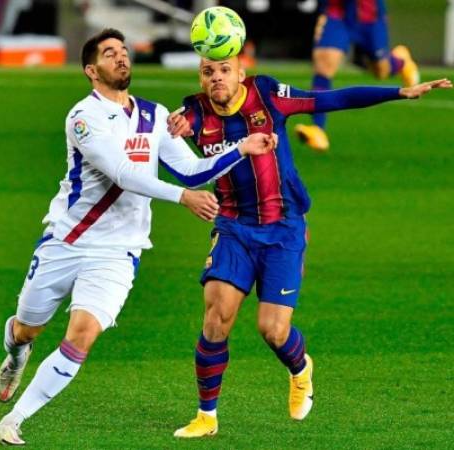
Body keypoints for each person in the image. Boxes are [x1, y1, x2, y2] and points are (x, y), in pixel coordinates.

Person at [0, 28, 278, 446]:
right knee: (27, 328)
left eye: (124, 52)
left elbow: (192, 170)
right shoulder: (83, 117)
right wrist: (182, 198)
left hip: (118, 252)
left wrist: (241, 148)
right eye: (110, 54)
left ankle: (13, 421)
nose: (122, 58)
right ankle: (16, 353)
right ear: (92, 70)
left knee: (82, 333)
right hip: (67, 240)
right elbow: (123, 174)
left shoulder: (156, 116)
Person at [172, 54, 451, 438]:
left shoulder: (268, 94)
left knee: (272, 330)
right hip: (234, 226)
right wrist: (169, 127)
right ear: (201, 79)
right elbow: (161, 143)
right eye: (208, 72)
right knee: (216, 316)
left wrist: (401, 91)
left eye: (224, 70)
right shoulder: (194, 113)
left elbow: (332, 99)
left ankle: (300, 368)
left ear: (241, 72)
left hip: (283, 229)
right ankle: (207, 416)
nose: (216, 78)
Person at [295, 0, 420, 151]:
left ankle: (400, 62)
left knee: (381, 70)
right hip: (336, 13)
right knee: (324, 66)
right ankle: (317, 128)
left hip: (369, 15)